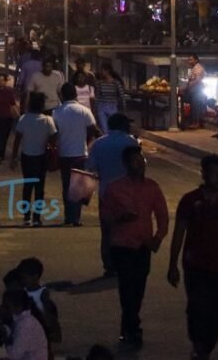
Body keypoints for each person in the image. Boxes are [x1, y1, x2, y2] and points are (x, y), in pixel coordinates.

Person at [167, 154, 218, 359]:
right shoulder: (190, 201)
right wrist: (172, 264)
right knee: (197, 307)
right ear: (204, 174)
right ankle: (198, 346)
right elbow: (178, 233)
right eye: (215, 175)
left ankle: (205, 348)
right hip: (194, 265)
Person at [101, 144, 168, 348]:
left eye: (142, 161)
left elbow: (162, 215)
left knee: (138, 288)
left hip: (143, 245)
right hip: (122, 245)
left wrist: (158, 237)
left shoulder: (152, 187)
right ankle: (133, 327)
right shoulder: (115, 188)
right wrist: (119, 218)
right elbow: (105, 216)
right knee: (127, 287)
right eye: (135, 161)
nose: (140, 165)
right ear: (126, 164)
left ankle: (128, 324)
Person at [86, 113, 141, 275]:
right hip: (128, 192)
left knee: (108, 231)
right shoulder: (131, 142)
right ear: (124, 126)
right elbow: (138, 166)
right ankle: (126, 262)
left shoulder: (99, 144)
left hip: (106, 193)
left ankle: (110, 265)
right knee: (128, 228)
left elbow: (90, 167)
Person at [53, 82, 100, 226]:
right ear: (75, 94)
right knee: (78, 187)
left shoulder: (56, 112)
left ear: (62, 95)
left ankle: (68, 216)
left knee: (66, 185)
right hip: (80, 153)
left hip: (64, 153)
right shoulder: (84, 111)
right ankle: (76, 217)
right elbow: (94, 130)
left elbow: (53, 133)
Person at [10, 92, 57, 227]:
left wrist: (14, 157)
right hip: (42, 156)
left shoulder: (24, 119)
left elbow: (17, 139)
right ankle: (37, 217)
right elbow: (53, 139)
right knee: (39, 187)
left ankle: (26, 217)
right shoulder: (48, 120)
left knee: (27, 186)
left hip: (27, 156)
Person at [18, 257, 63, 349]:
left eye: (24, 278)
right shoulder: (20, 293)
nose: (22, 281)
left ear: (35, 276)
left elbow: (52, 319)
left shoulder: (43, 297)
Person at [0, 288, 50, 360]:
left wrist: (6, 338)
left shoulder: (26, 325)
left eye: (6, 306)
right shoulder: (22, 321)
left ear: (18, 307)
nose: (3, 309)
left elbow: (14, 355)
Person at [93, 63, 126, 135]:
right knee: (104, 129)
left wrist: (123, 108)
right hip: (102, 107)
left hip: (113, 106)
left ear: (107, 71)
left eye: (102, 70)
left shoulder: (116, 83)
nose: (101, 72)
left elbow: (122, 96)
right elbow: (98, 96)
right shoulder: (100, 83)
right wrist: (95, 108)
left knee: (113, 128)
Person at [184, 54, 207, 129]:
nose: (189, 61)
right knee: (194, 106)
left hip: (196, 90)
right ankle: (194, 122)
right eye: (189, 59)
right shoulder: (194, 68)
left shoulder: (198, 68)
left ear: (196, 60)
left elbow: (197, 80)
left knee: (196, 106)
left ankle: (196, 123)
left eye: (191, 59)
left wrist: (188, 87)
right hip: (194, 90)